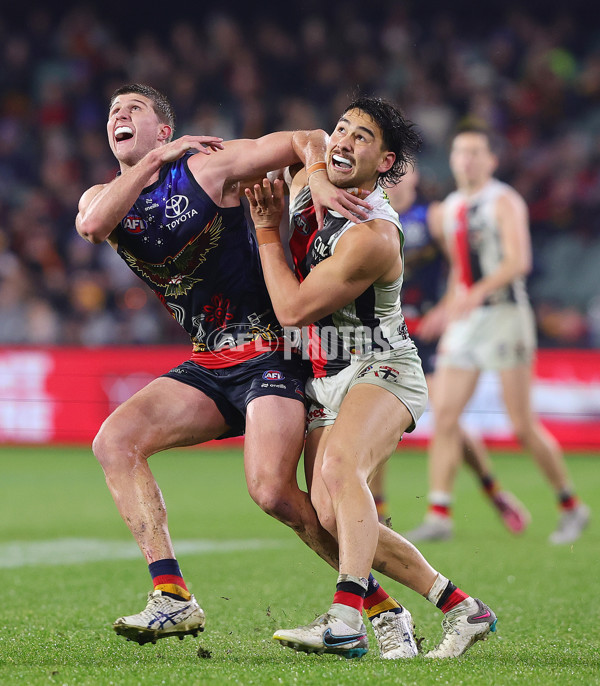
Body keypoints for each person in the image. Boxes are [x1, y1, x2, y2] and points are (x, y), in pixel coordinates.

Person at [75, 83, 373, 647]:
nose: (119, 114)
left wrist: (315, 180)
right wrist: (155, 161)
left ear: (164, 128)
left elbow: (305, 138)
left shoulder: (207, 169)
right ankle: (171, 596)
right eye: (113, 110)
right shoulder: (99, 197)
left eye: (133, 109)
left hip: (270, 350)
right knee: (114, 442)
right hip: (209, 362)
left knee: (272, 493)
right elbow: (92, 228)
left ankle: (372, 605)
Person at [245, 96, 497, 660]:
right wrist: (314, 165)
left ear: (384, 163)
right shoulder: (318, 179)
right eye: (343, 129)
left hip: (382, 366)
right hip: (326, 374)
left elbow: (292, 309)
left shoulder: (373, 236)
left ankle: (345, 618)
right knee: (334, 516)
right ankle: (461, 606)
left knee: (339, 471)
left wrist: (266, 232)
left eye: (361, 138)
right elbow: (305, 135)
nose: (342, 141)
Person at [405, 122, 590, 545]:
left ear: (491, 160)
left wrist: (473, 294)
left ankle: (570, 505)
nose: (466, 160)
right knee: (446, 416)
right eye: (459, 153)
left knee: (522, 423)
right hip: (468, 321)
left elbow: (518, 261)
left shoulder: (503, 200)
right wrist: (448, 308)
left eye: (474, 153)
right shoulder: (451, 206)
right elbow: (457, 271)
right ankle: (439, 514)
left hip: (506, 313)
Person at [371, 166, 530, 538]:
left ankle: (493, 490)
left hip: (431, 331)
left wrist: (445, 308)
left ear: (415, 178)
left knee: (447, 417)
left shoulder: (435, 217)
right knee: (375, 422)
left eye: (403, 174)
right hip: (389, 333)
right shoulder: (371, 215)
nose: (395, 181)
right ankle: (378, 516)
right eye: (389, 175)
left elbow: (463, 269)